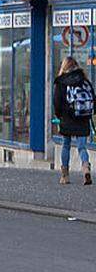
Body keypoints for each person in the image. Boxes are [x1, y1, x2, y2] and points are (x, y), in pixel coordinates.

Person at [53, 57, 94, 185]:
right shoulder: (84, 80)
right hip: (82, 118)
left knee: (66, 145)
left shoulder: (61, 82)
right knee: (82, 147)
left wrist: (59, 116)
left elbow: (57, 102)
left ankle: (65, 176)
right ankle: (86, 168)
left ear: (64, 67)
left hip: (67, 118)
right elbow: (93, 98)